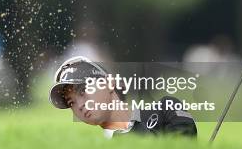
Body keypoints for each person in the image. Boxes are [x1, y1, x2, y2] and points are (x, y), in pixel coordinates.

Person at [49, 56, 197, 138]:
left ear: (109, 83)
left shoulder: (166, 109)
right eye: (71, 102)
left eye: (82, 91)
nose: (79, 105)